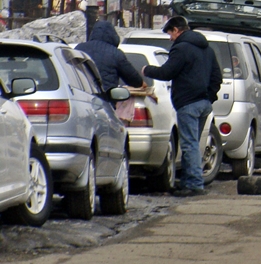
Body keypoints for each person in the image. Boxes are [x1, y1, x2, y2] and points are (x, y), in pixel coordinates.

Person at [143, 15, 222, 197]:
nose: (170, 38)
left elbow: (167, 72)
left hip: (188, 103)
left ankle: (194, 184)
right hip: (204, 104)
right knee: (193, 143)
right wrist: (208, 97)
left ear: (177, 30)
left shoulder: (181, 49)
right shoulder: (207, 49)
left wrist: (147, 70)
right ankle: (187, 181)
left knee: (189, 144)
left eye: (170, 33)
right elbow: (217, 78)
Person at [75, 20, 146, 97]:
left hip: (81, 96)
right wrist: (140, 83)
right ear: (112, 35)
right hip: (105, 98)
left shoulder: (79, 48)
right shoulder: (115, 53)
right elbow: (130, 76)